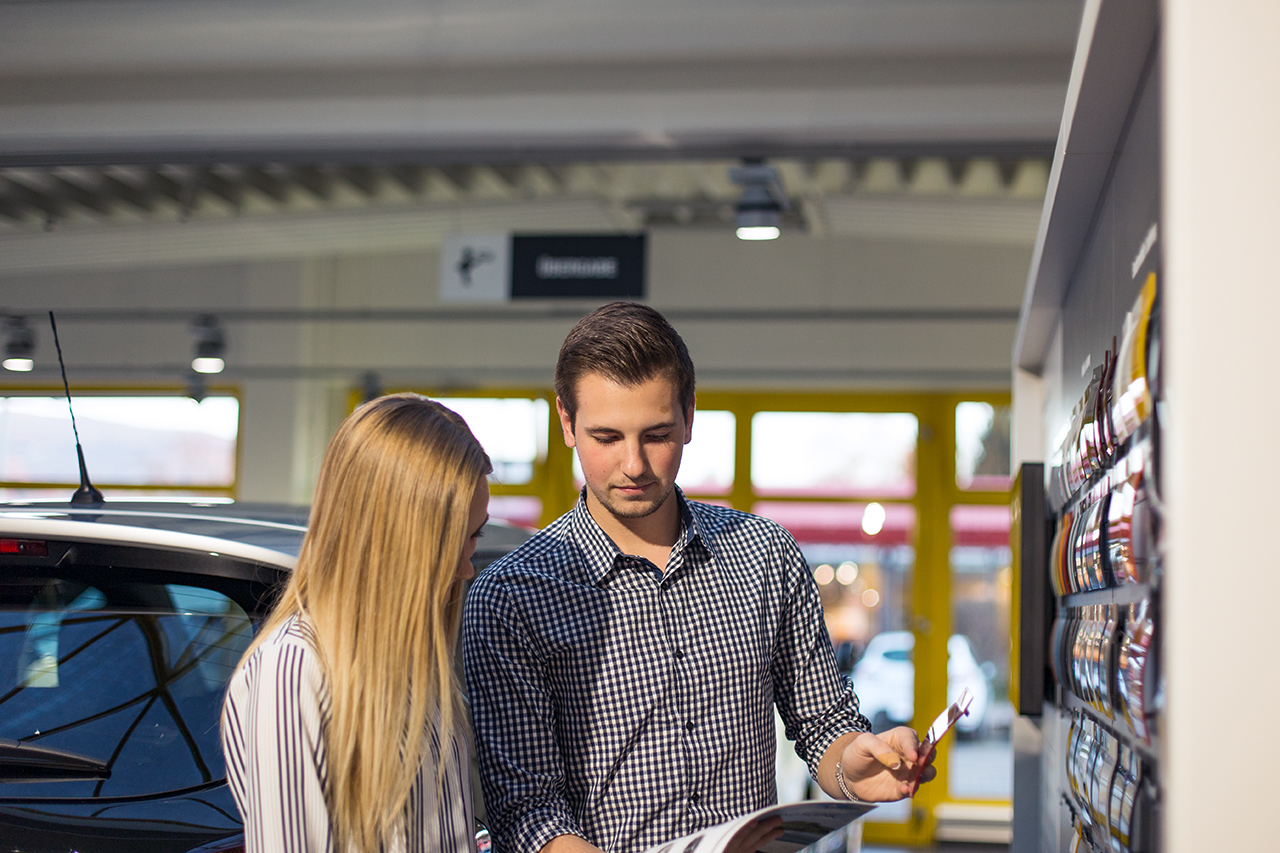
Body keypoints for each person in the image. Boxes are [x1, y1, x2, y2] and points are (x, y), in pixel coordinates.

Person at [461, 302, 935, 853]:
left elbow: (823, 724)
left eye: (656, 434)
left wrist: (856, 769)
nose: (634, 464)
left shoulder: (765, 557)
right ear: (567, 423)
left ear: (689, 416)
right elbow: (526, 809)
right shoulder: (512, 596)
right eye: (607, 437)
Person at [221, 394, 492, 853]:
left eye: (476, 535)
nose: (467, 569)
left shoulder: (415, 669)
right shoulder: (294, 672)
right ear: (398, 541)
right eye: (456, 541)